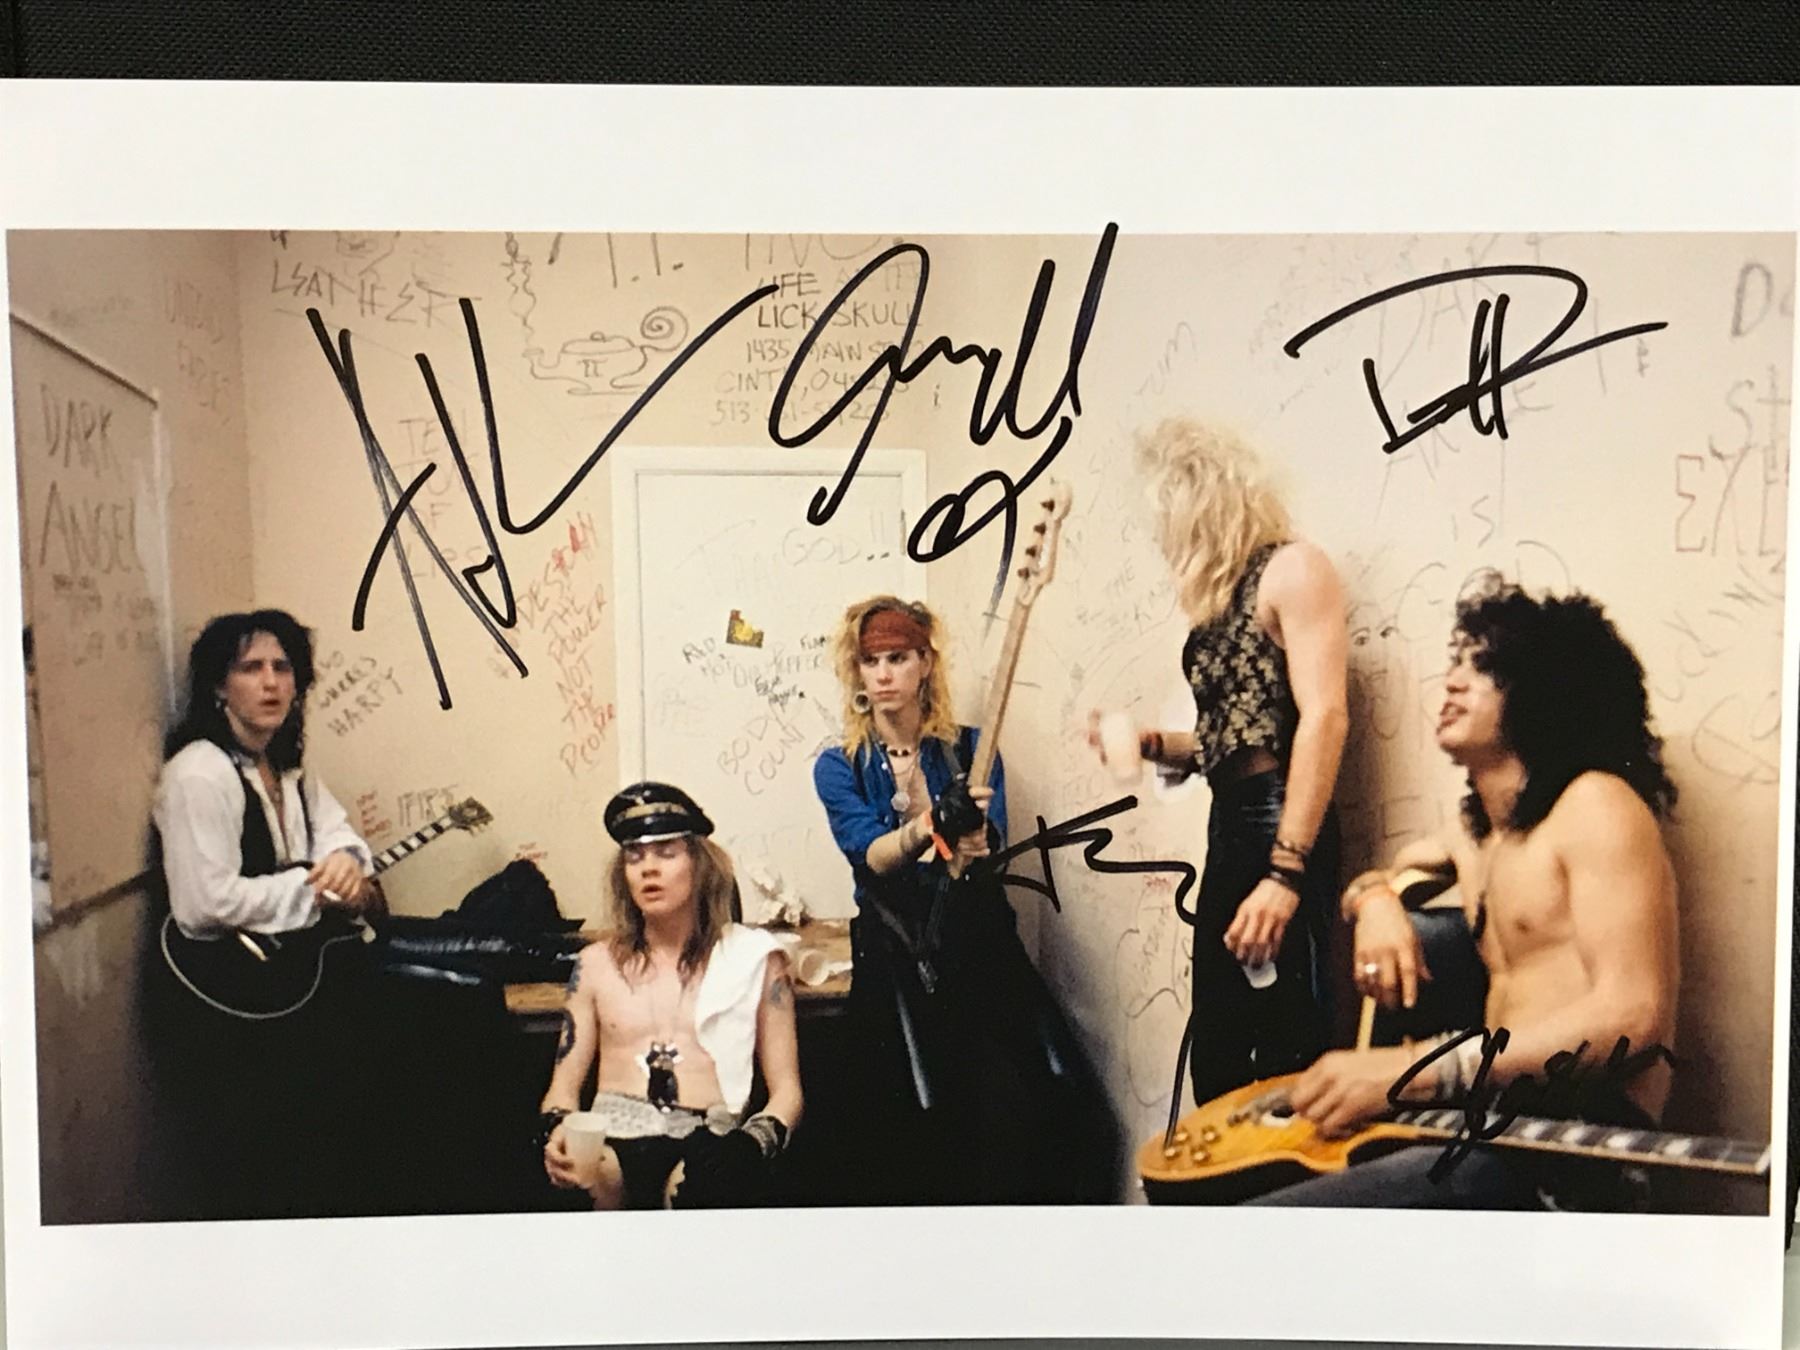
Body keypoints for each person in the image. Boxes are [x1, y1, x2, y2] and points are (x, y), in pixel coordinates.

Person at [1250, 582, 1680, 1209]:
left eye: (1484, 670)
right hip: (1488, 1121)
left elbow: (1634, 1015)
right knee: (1257, 1181)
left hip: (1580, 1144)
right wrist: (1376, 902)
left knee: (1268, 1228)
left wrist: (1423, 1069)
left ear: (1544, 691)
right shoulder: (1480, 836)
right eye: (1457, 663)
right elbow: (1385, 874)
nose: (1451, 682)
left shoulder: (1596, 804)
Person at [812, 596, 1115, 1205]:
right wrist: (931, 826)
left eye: (899, 658)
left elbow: (984, 846)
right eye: (871, 661)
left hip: (977, 942)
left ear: (925, 663)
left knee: (1055, 1092)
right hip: (896, 952)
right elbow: (871, 855)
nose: (884, 674)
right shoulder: (839, 766)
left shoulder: (973, 752)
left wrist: (973, 839)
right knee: (914, 1121)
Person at [1098, 419, 1349, 1111]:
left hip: (1280, 824)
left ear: (1201, 503)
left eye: (1170, 521)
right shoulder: (1227, 595)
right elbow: (1236, 739)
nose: (1167, 541)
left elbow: (1325, 717)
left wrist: (1286, 873)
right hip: (1232, 826)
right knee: (1220, 1054)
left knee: (1286, 1048)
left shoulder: (1295, 569)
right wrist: (1155, 744)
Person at [148, 609, 384, 1220]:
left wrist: (345, 863)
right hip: (225, 1007)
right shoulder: (199, 774)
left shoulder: (287, 768)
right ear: (219, 687)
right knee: (261, 1162)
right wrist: (314, 888)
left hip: (288, 990)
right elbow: (204, 904)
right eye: (251, 668)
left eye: (283, 667)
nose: (271, 682)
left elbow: (339, 835)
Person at [539, 782, 803, 1210]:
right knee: (574, 1183)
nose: (649, 868)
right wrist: (557, 1134)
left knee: (707, 1186)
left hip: (706, 1144)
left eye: (666, 852)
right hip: (610, 1142)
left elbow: (788, 1092)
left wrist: (751, 1145)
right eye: (634, 856)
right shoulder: (595, 965)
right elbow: (562, 1090)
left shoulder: (755, 959)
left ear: (699, 864)